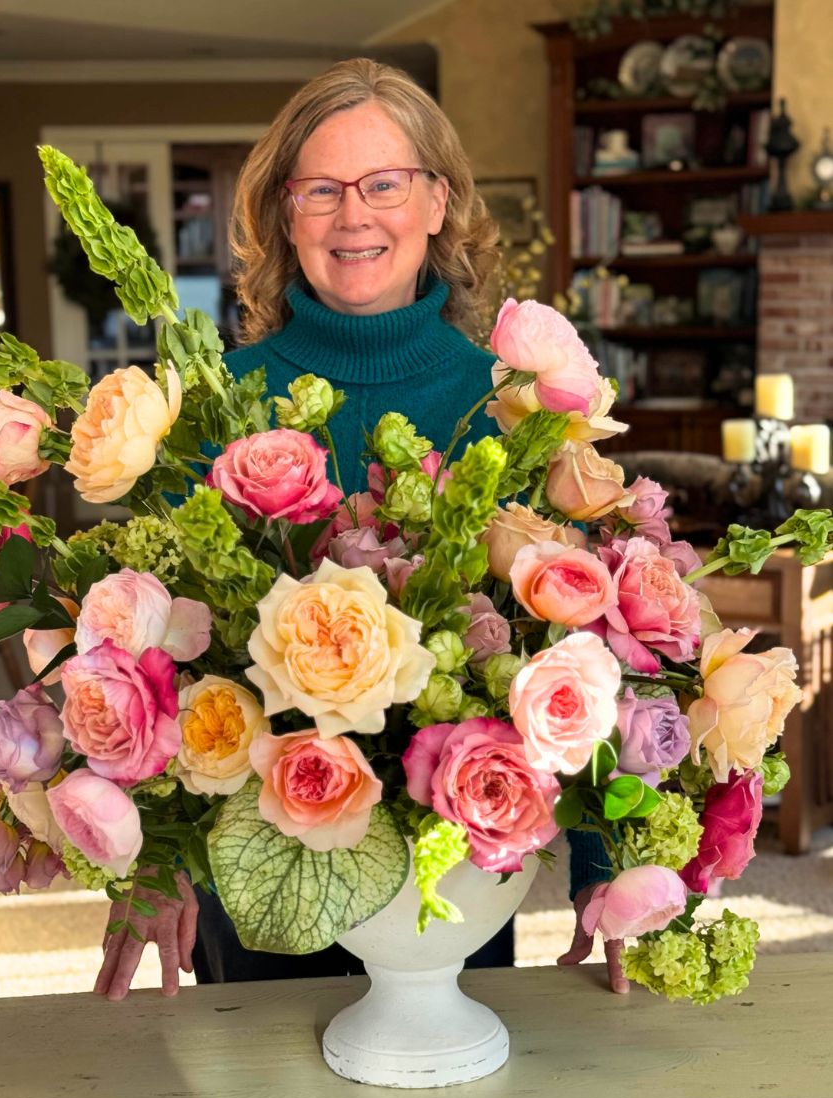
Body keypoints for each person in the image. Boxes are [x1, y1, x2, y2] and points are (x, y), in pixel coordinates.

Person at [95, 57, 620, 1001]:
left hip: (449, 868)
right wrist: (150, 856)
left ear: (437, 203)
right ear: (281, 213)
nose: (353, 215)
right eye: (321, 190)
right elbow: (145, 657)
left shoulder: (511, 404)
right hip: (256, 864)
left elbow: (579, 647)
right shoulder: (215, 404)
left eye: (384, 183)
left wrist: (607, 861)